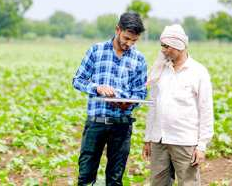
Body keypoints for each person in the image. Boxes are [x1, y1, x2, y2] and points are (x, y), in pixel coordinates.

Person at [72, 12, 147, 186]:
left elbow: (141, 93)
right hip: (96, 122)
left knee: (115, 178)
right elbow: (78, 80)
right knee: (85, 175)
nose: (129, 44)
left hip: (122, 123)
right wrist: (97, 88)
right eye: (126, 38)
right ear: (117, 29)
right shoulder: (96, 51)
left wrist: (126, 102)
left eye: (134, 41)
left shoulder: (139, 59)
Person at [143, 24, 214, 186]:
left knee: (188, 183)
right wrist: (148, 138)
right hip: (159, 140)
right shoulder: (160, 70)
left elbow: (206, 110)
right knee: (158, 183)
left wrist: (202, 145)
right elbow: (153, 106)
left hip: (185, 141)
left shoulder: (198, 72)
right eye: (162, 45)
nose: (163, 50)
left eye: (167, 46)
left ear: (179, 45)